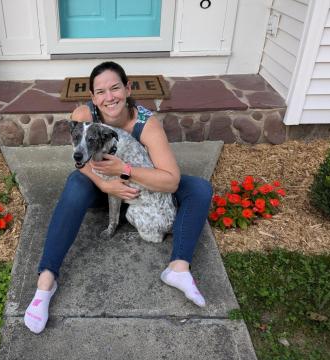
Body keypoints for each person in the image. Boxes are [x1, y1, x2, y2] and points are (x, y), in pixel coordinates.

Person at [24, 61, 212, 334]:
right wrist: (104, 184)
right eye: (100, 92)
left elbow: (170, 180)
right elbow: (79, 158)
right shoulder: (83, 114)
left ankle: (178, 267)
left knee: (200, 189)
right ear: (92, 97)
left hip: (136, 183)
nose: (108, 97)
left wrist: (124, 170)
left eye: (115, 88)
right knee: (76, 183)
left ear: (128, 88)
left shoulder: (146, 124)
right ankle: (46, 280)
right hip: (104, 189)